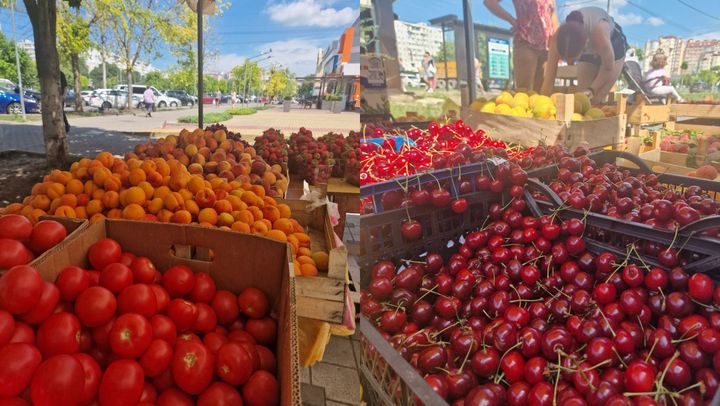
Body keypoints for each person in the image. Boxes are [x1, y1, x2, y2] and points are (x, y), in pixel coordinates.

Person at [541, 7, 627, 104]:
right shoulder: (557, 40)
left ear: (585, 44)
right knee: (582, 100)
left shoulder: (599, 34)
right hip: (588, 46)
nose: (570, 63)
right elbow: (548, 80)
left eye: (573, 59)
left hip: (614, 44)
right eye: (565, 59)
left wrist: (592, 89)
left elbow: (608, 67)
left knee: (598, 97)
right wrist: (542, 104)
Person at [484, 0, 558, 93]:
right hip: (525, 41)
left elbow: (553, 16)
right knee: (523, 91)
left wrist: (556, 46)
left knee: (544, 93)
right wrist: (511, 19)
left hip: (547, 48)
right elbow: (489, 2)